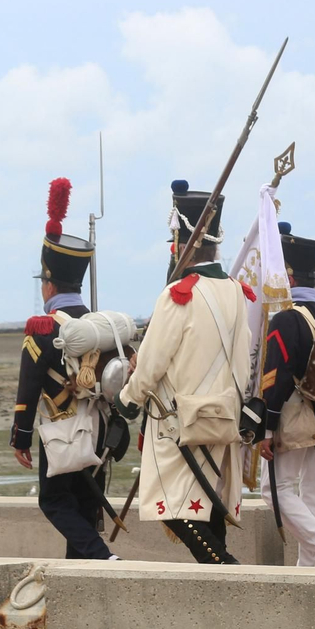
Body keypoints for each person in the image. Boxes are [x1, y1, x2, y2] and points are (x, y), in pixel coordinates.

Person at [116, 181, 253, 564]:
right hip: (223, 412)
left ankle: (227, 570)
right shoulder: (236, 291)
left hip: (178, 419)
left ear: (179, 243)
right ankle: (224, 584)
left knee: (177, 510)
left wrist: (127, 399)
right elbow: (245, 355)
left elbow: (152, 361)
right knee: (209, 504)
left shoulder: (180, 293)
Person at [10, 178, 119, 560]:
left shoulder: (42, 328)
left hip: (62, 426)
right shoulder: (101, 326)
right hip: (100, 428)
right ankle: (83, 574)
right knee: (85, 504)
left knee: (54, 501)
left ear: (48, 283)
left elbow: (29, 385)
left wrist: (20, 436)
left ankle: (103, 558)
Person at [258, 223, 315, 568]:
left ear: (290, 277)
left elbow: (276, 379)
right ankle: (311, 568)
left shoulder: (287, 319)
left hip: (294, 417)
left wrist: (267, 429)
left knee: (275, 490)